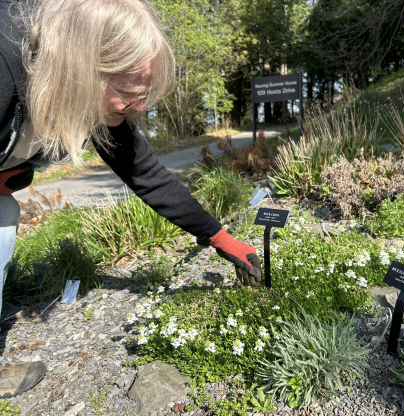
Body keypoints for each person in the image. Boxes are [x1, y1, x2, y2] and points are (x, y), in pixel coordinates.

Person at [0, 0, 262, 399]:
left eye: (143, 95)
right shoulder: (5, 68)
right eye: (128, 93)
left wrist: (221, 239)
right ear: (81, 68)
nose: (138, 107)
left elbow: (149, 178)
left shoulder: (101, 106)